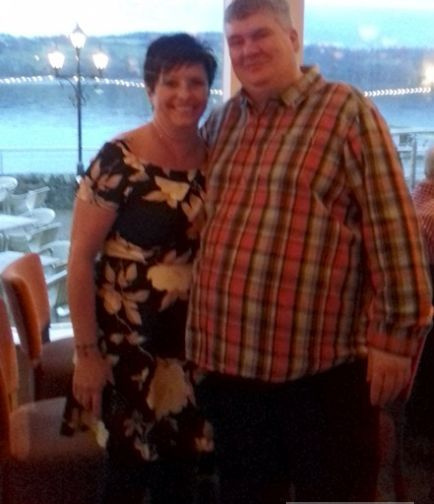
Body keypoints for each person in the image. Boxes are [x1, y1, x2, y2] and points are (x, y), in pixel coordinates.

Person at [185, 1, 433, 503]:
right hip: (231, 367)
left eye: (260, 35)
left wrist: (395, 338)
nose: (247, 49)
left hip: (320, 371)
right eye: (236, 41)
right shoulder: (223, 122)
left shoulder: (346, 112)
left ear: (293, 38)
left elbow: (393, 227)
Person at [62, 33, 217, 504]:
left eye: (196, 82)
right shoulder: (118, 159)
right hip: (125, 347)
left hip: (191, 347)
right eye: (171, 82)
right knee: (126, 478)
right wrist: (86, 354)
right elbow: (79, 260)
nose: (184, 94)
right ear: (150, 89)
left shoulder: (216, 159)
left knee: (182, 478)